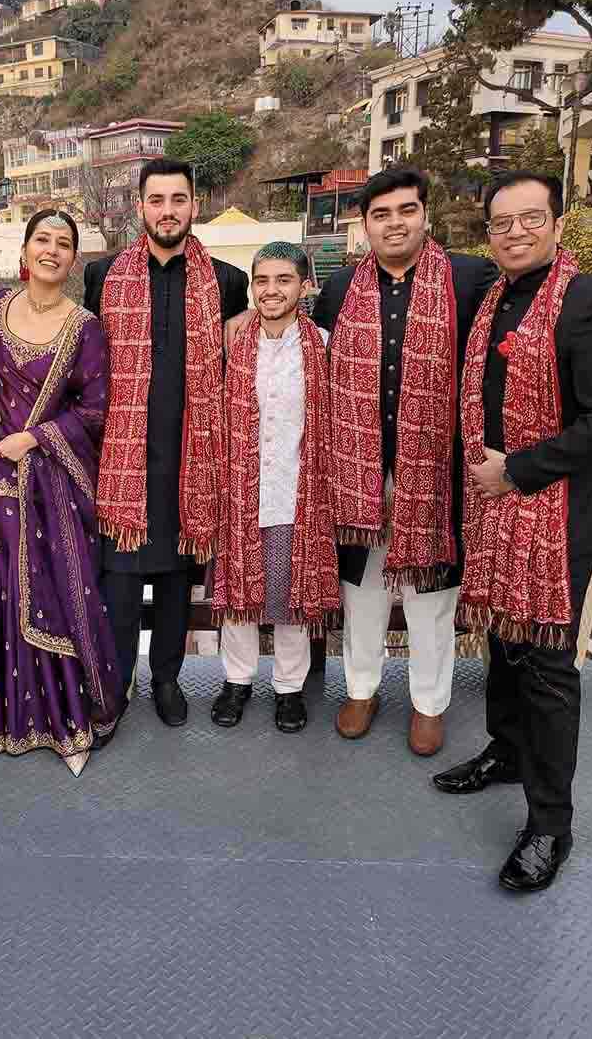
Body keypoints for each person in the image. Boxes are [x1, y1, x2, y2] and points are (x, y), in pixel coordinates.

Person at [433, 171, 592, 891]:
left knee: (550, 670)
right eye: (502, 224)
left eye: (532, 218)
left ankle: (550, 825)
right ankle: (505, 750)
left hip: (557, 516)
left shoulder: (585, 301)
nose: (516, 233)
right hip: (494, 508)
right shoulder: (494, 299)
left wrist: (520, 469)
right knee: (503, 639)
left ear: (558, 225)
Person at [311, 167, 497, 756]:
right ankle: (361, 691)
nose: (395, 223)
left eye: (406, 211)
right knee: (360, 593)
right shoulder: (340, 287)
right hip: (356, 469)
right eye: (381, 214)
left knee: (431, 601)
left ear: (426, 215)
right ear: (364, 225)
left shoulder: (468, 278)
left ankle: (428, 703)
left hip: (435, 471)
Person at [84, 159, 249, 726]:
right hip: (124, 459)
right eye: (157, 200)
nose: (168, 211)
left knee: (179, 583)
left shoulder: (227, 281)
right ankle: (117, 678)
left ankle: (167, 679)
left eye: (179, 199)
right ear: (140, 207)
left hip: (193, 458)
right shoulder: (102, 275)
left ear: (194, 206)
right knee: (122, 584)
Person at [0, 209, 124, 777]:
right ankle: (15, 718)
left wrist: (35, 437)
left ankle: (68, 719)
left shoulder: (84, 327)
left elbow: (95, 410)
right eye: (44, 239)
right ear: (26, 248)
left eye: (65, 244)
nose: (53, 250)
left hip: (54, 483)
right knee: (11, 588)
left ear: (73, 259)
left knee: (60, 589)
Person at [211, 244, 340, 732]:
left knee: (290, 593)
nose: (271, 290)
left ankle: (289, 688)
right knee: (240, 593)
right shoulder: (233, 344)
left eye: (283, 280)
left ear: (304, 286)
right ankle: (237, 681)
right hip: (241, 488)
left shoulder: (324, 346)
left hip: (300, 487)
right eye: (262, 280)